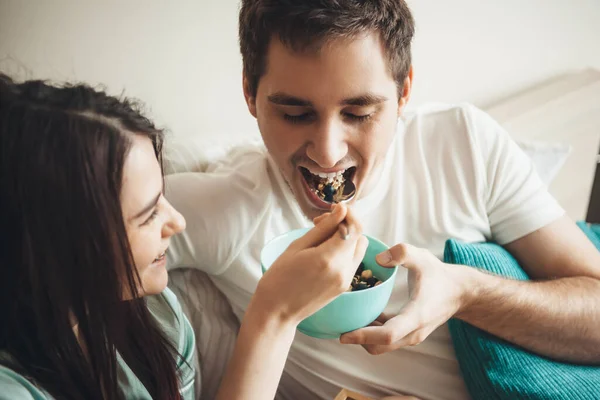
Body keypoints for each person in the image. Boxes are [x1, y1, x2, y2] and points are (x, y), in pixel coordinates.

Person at [165, 0, 600, 399]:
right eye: (295, 114)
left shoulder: (464, 143)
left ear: (404, 90)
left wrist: (468, 293)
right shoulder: (222, 211)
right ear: (249, 94)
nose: (328, 152)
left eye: (359, 113)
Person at [0, 74, 369, 400]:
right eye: (149, 214)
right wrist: (273, 317)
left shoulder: (159, 320)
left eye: (164, 197)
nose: (176, 221)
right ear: (59, 245)